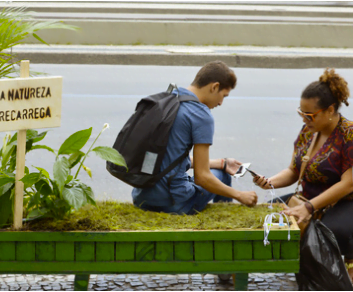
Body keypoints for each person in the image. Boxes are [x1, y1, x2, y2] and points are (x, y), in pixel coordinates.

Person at [253, 68, 353, 281]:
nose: (304, 120)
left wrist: (309, 207)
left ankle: (332, 276)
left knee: (326, 233)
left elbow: (348, 184)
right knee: (262, 217)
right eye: (301, 113)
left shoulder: (349, 134)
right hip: (306, 199)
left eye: (310, 115)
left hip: (343, 203)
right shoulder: (308, 131)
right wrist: (269, 182)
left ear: (330, 110)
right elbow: (294, 171)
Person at [132, 61, 258, 215]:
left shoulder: (167, 99)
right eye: (223, 96)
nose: (220, 103)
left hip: (141, 197)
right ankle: (225, 218)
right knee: (223, 176)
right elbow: (202, 177)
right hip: (174, 204)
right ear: (214, 87)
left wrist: (222, 163)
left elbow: (169, 159)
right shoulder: (201, 115)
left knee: (220, 170)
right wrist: (240, 195)